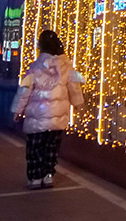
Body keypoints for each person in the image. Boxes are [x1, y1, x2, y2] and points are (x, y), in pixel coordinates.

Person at [10, 30, 85, 189]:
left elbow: (24, 91)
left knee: (35, 149)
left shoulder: (34, 67)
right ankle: (48, 175)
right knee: (51, 148)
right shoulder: (66, 66)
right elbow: (74, 88)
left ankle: (35, 177)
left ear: (41, 46)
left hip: (37, 117)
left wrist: (18, 111)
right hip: (58, 116)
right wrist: (77, 104)